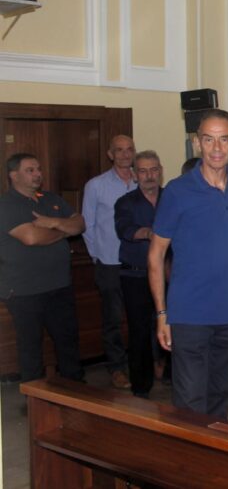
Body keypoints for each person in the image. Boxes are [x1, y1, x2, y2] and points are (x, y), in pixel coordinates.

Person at [148, 109, 228, 417]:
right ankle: (188, 462)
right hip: (189, 314)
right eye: (209, 139)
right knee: (191, 403)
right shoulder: (178, 191)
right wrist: (161, 313)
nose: (217, 148)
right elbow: (155, 255)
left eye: (224, 139)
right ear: (197, 143)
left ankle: (215, 459)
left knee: (223, 395)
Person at [0, 153, 84, 383]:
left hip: (60, 285)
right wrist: (64, 230)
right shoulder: (6, 205)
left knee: (68, 343)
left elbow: (80, 223)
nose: (38, 174)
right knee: (30, 349)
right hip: (25, 291)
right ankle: (35, 405)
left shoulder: (50, 199)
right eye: (30, 170)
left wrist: (54, 222)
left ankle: (75, 394)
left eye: (38, 169)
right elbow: (31, 237)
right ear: (13, 175)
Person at [83, 134, 135, 389]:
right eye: (119, 150)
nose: (125, 154)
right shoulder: (96, 185)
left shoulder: (143, 181)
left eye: (129, 149)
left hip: (139, 263)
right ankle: (117, 368)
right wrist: (97, 255)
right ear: (110, 154)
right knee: (113, 320)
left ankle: (146, 364)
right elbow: (87, 224)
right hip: (109, 262)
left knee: (142, 317)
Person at [113, 150, 164, 398]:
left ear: (160, 171)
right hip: (136, 276)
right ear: (134, 174)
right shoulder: (126, 202)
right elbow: (125, 229)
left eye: (153, 169)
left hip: (168, 275)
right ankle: (141, 386)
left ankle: (170, 374)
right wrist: (150, 233)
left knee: (174, 324)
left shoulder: (170, 198)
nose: (149, 175)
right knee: (140, 331)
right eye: (143, 171)